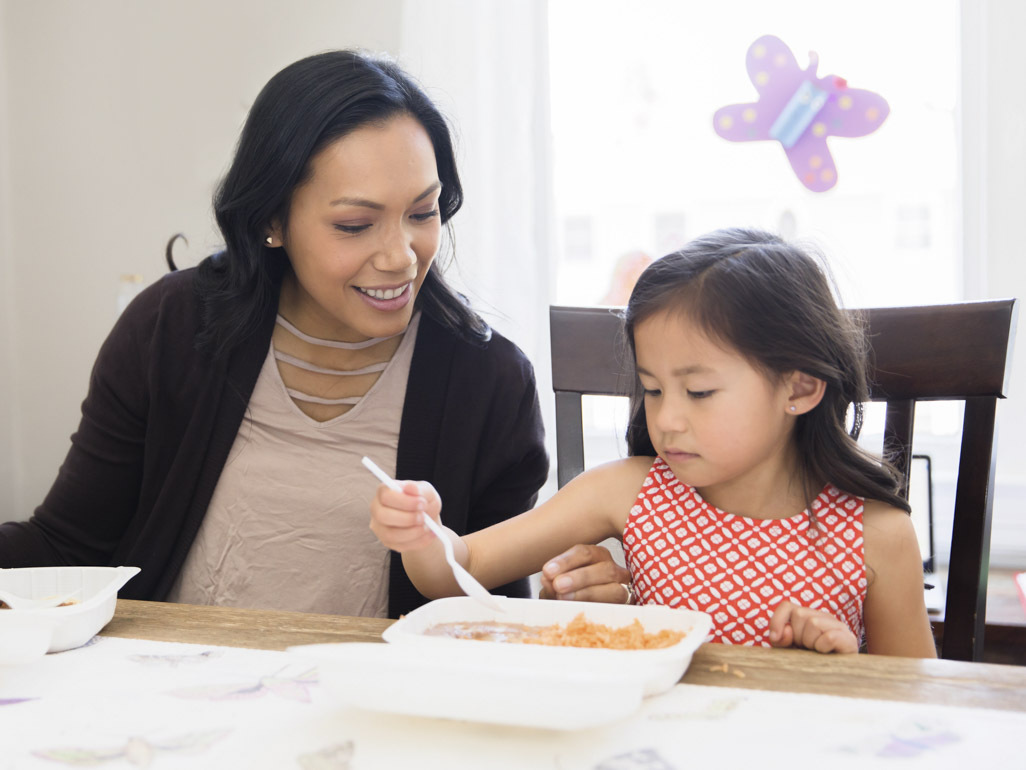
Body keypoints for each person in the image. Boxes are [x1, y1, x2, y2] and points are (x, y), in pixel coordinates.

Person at [0, 50, 548, 619]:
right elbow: (67, 547)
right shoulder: (170, 329)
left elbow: (496, 614)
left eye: (423, 212)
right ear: (271, 221)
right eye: (355, 225)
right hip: (170, 687)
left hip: (377, 699)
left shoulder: (490, 382)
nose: (401, 257)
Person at [370, 228, 937, 656]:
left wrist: (842, 669)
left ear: (801, 387)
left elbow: (916, 706)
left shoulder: (875, 534)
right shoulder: (629, 491)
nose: (666, 419)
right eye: (653, 390)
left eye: (699, 391)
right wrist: (424, 535)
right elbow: (455, 572)